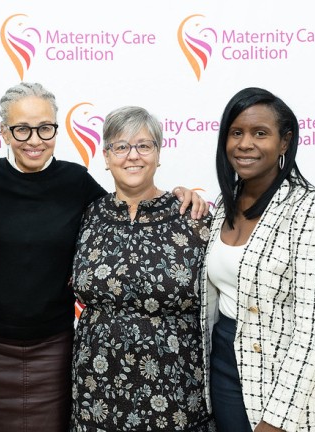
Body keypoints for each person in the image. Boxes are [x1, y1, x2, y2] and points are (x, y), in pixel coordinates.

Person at [0, 82, 208, 432]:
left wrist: (178, 194)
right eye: (21, 129)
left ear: (56, 129)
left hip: (55, 350)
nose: (34, 139)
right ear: (4, 133)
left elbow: (128, 207)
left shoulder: (76, 181)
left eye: (45, 128)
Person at [201, 87, 315, 432]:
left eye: (260, 133)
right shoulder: (223, 206)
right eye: (236, 133)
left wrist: (276, 420)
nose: (245, 144)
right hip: (224, 362)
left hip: (286, 375)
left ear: (285, 142)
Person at [70, 106, 216, 431]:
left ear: (158, 154)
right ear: (106, 156)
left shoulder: (193, 216)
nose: (132, 156)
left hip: (176, 393)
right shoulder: (87, 215)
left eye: (144, 145)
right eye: (121, 147)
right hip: (96, 392)